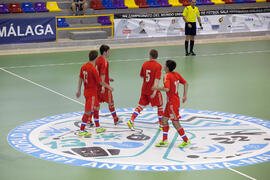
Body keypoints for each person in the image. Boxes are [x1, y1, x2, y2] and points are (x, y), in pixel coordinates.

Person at [152, 60, 190, 148]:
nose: (163, 67)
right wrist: (184, 95)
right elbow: (186, 83)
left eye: (165, 65)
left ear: (167, 68)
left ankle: (186, 140)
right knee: (164, 120)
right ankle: (164, 140)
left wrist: (156, 88)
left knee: (175, 122)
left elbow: (167, 89)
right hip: (170, 102)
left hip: (173, 103)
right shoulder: (176, 74)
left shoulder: (166, 76)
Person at [76, 50, 113, 137]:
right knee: (88, 111)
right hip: (91, 93)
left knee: (96, 107)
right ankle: (81, 130)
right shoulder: (93, 69)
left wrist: (79, 90)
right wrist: (109, 87)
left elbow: (80, 79)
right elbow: (100, 82)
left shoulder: (83, 66)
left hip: (87, 92)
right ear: (96, 58)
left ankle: (98, 127)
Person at [127, 49, 163, 131]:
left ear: (150, 56)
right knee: (160, 106)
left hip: (144, 89)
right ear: (157, 56)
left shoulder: (145, 64)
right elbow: (157, 80)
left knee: (141, 106)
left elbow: (142, 75)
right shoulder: (158, 66)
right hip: (153, 89)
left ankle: (131, 120)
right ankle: (161, 125)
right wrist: (154, 91)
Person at [95, 45, 121, 126]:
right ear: (104, 52)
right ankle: (116, 119)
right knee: (111, 103)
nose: (109, 53)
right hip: (104, 86)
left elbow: (97, 73)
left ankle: (89, 121)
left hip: (97, 85)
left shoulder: (97, 60)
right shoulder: (104, 61)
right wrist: (103, 86)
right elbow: (102, 73)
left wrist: (108, 78)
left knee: (96, 104)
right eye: (108, 51)